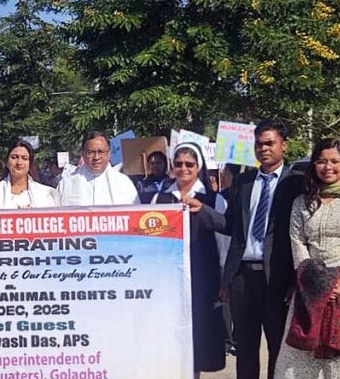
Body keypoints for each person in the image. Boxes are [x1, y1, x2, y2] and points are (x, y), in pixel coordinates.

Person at [273, 138, 340, 378]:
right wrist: (316, 281)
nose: (328, 167)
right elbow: (297, 241)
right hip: (310, 286)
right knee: (301, 350)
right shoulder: (303, 202)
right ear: (314, 165)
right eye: (321, 161)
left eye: (335, 161)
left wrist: (338, 281)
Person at [221, 121, 304, 379]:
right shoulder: (243, 182)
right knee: (245, 348)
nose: (263, 149)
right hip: (243, 277)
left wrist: (295, 280)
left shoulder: (296, 183)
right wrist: (202, 212)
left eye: (270, 143)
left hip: (277, 279)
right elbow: (230, 225)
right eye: (259, 144)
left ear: (284, 145)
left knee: (278, 347)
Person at [150, 143, 228, 374]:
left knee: (199, 339)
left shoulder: (214, 200)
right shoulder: (159, 199)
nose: (183, 169)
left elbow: (223, 244)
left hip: (203, 278)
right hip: (170, 282)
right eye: (178, 164)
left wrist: (224, 280)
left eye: (189, 164)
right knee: (172, 338)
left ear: (198, 167)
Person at [57, 132, 139, 206]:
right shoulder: (67, 183)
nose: (96, 157)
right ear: (83, 154)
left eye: (101, 152)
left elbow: (136, 213)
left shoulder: (123, 183)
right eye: (91, 152)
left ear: (109, 153)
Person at [0, 140, 59, 209]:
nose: (19, 162)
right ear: (7, 162)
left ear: (30, 164)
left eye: (24, 158)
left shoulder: (46, 193)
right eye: (14, 157)